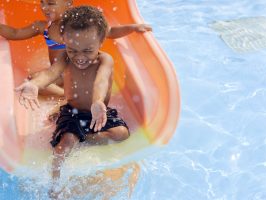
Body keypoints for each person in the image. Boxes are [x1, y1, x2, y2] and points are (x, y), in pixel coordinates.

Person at [15, 5, 130, 198]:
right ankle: (54, 188)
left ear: (101, 41)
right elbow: (50, 74)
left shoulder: (105, 60)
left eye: (87, 50)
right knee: (63, 147)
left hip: (98, 110)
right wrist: (35, 84)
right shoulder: (65, 58)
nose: (79, 56)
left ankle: (84, 138)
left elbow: (101, 80)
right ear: (64, 41)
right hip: (74, 112)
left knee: (122, 133)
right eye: (72, 49)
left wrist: (97, 102)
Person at [1, 0, 152, 96]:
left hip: (80, 73)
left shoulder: (81, 24)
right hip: (58, 74)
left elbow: (110, 32)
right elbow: (16, 33)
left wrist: (133, 27)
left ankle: (72, 96)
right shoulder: (43, 26)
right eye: (42, 2)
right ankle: (66, 96)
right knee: (31, 81)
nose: (44, 7)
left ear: (68, 3)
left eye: (51, 3)